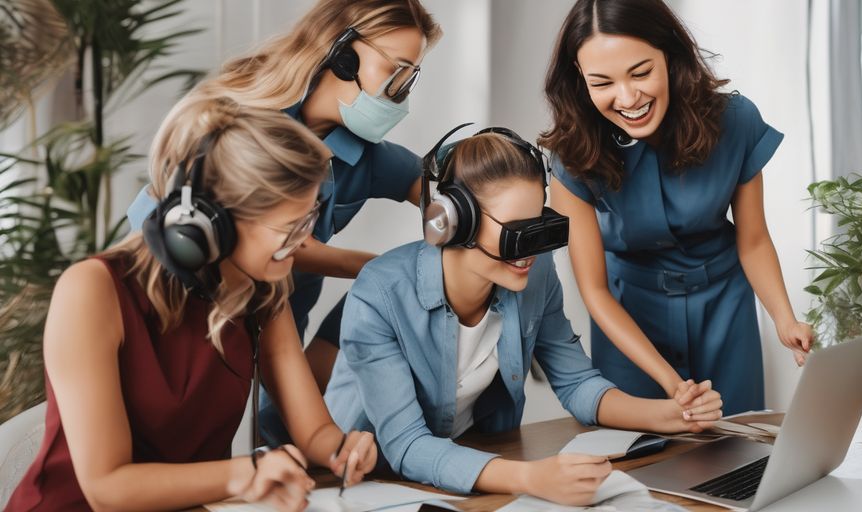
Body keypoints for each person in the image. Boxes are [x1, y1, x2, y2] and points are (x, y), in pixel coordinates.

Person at [6, 97, 376, 512]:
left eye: (308, 221)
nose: (306, 243)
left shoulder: (263, 290)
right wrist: (247, 472)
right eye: (291, 228)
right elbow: (107, 488)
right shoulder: (92, 289)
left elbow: (314, 432)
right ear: (210, 222)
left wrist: (343, 449)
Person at [323, 126, 723, 506]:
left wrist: (668, 414)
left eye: (538, 226)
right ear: (453, 223)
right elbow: (407, 444)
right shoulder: (379, 294)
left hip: (468, 467)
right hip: (365, 481)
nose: (530, 249)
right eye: (517, 231)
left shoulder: (533, 275)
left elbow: (576, 382)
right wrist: (531, 478)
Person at [123, 0, 442, 444]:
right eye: (395, 70)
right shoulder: (240, 122)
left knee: (287, 440)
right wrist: (383, 268)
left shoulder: (359, 153)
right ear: (342, 53)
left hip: (277, 307)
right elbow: (266, 241)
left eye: (409, 78)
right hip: (179, 291)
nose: (399, 90)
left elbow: (439, 189)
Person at [538, 0, 814, 415]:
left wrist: (785, 319)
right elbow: (593, 291)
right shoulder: (572, 153)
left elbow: (753, 241)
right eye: (602, 83)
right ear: (580, 78)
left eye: (641, 72)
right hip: (628, 315)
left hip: (725, 307)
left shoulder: (734, 121)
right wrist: (671, 382)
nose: (627, 97)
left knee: (738, 450)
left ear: (669, 53)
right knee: (642, 457)